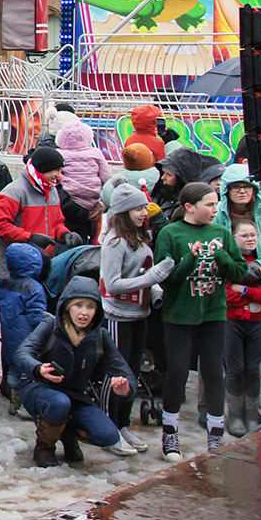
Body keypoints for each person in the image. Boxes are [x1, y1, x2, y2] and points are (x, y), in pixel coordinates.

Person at [152, 181, 251, 461]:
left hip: (213, 313)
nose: (214, 209)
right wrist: (189, 260)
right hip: (178, 314)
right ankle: (170, 434)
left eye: (216, 204)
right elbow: (166, 277)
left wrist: (220, 256)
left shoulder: (220, 232)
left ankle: (215, 436)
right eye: (209, 204)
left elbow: (239, 271)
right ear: (189, 207)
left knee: (212, 372)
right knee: (178, 372)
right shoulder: (171, 233)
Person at [15, 278, 140, 466]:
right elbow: (22, 353)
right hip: (38, 388)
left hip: (75, 396)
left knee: (108, 435)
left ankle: (66, 433)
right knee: (58, 403)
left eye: (90, 307)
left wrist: (126, 390)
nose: (84, 312)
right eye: (78, 305)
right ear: (67, 307)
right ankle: (44, 447)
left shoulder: (100, 336)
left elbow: (124, 371)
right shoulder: (51, 325)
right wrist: (38, 368)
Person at [96, 187, 170, 446]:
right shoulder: (114, 242)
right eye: (138, 208)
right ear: (124, 211)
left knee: (133, 372)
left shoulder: (139, 237)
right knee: (117, 373)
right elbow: (112, 284)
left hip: (139, 315)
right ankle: (108, 426)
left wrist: (156, 289)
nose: (144, 213)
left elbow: (142, 271)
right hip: (118, 315)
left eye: (144, 207)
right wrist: (152, 278)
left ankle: (123, 423)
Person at [224, 216, 261, 437]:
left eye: (254, 235)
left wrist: (245, 291)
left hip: (257, 325)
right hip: (233, 323)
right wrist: (252, 297)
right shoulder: (229, 263)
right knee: (236, 370)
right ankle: (235, 414)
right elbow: (227, 295)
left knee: (253, 370)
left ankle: (251, 413)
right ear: (234, 238)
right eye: (244, 235)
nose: (250, 239)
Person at [0, 148, 72, 277]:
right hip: (16, 270)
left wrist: (65, 234)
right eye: (55, 170)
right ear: (43, 169)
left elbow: (56, 222)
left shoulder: (51, 190)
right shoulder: (14, 191)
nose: (58, 176)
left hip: (43, 266)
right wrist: (29, 238)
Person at [0, 242, 52, 401]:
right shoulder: (33, 287)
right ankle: (26, 399)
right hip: (27, 338)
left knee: (13, 368)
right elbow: (35, 317)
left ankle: (13, 397)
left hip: (8, 336)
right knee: (27, 371)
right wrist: (49, 320)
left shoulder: (4, 283)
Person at [55, 120, 110, 238]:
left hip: (70, 199)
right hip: (93, 200)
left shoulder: (59, 154)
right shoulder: (96, 153)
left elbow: (58, 178)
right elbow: (107, 176)